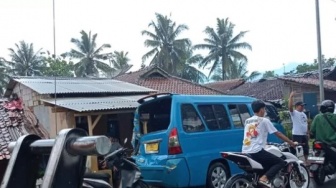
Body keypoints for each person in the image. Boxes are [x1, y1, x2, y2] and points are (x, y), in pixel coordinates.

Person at [242, 100, 296, 187]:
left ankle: (262, 182)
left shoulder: (247, 120)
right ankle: (264, 179)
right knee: (280, 162)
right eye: (264, 109)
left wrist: (264, 142)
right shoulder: (264, 120)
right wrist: (291, 142)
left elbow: (255, 135)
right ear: (261, 110)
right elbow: (278, 133)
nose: (265, 111)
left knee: (266, 166)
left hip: (245, 151)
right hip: (256, 151)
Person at [288, 91, 309, 163]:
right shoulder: (294, 113)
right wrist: (291, 97)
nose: (303, 107)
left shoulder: (304, 114)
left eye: (303, 106)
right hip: (297, 134)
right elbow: (290, 107)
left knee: (306, 148)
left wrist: (307, 133)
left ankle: (306, 160)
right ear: (297, 106)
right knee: (296, 148)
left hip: (304, 134)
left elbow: (305, 123)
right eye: (301, 106)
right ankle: (294, 161)